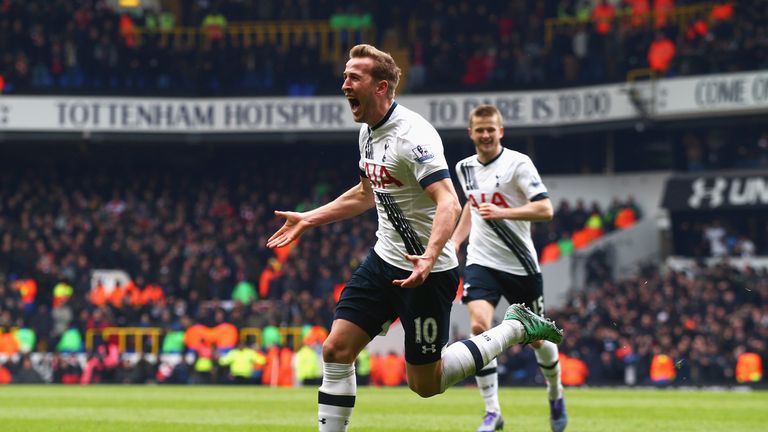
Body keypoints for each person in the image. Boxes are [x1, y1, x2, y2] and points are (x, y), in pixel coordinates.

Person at [267, 44, 563, 432]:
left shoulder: (413, 136)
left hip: (429, 271)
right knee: (336, 349)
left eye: (354, 77)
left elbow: (448, 201)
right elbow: (364, 192)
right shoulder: (367, 134)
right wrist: (309, 218)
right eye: (345, 76)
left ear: (381, 86)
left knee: (425, 383)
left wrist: (430, 254)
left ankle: (515, 328)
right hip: (383, 261)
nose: (344, 85)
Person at [450, 104, 567, 432]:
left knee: (537, 341)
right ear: (470, 133)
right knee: (479, 329)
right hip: (481, 261)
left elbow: (545, 209)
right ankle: (492, 412)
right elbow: (471, 208)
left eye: (491, 129)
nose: (486, 135)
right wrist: (456, 242)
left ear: (501, 131)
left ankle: (556, 393)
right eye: (480, 129)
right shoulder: (464, 168)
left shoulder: (518, 163)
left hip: (521, 265)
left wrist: (503, 213)